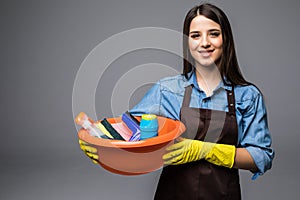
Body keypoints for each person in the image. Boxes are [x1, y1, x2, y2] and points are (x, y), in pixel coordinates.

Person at [79, 3, 274, 200]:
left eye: (213, 34)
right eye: (195, 35)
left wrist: (206, 150)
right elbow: (131, 133)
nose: (204, 42)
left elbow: (261, 157)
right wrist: (100, 141)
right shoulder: (168, 90)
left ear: (226, 40)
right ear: (187, 42)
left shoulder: (247, 96)